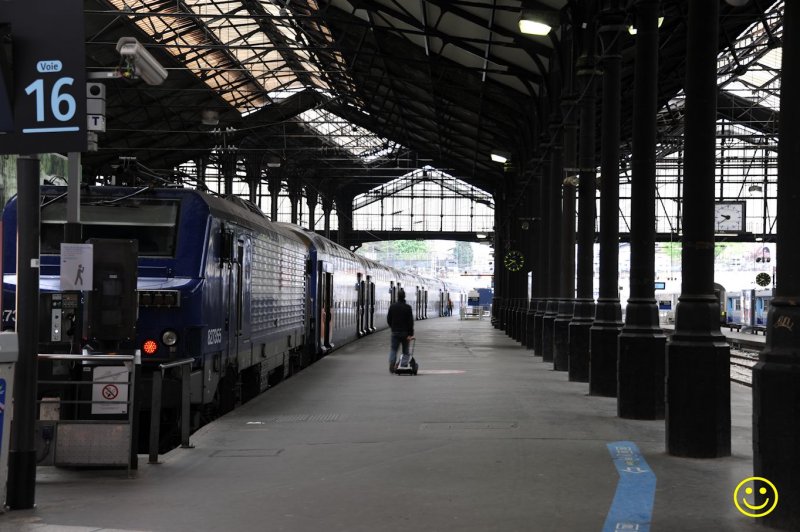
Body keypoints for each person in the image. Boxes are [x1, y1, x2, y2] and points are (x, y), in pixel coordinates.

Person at [387, 288, 414, 373]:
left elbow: (388, 319)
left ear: (397, 296)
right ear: (404, 297)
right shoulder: (408, 308)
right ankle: (402, 365)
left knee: (393, 349)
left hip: (395, 332)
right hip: (405, 333)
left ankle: (392, 363)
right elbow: (410, 322)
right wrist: (410, 333)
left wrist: (393, 327)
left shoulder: (392, 306)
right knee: (405, 351)